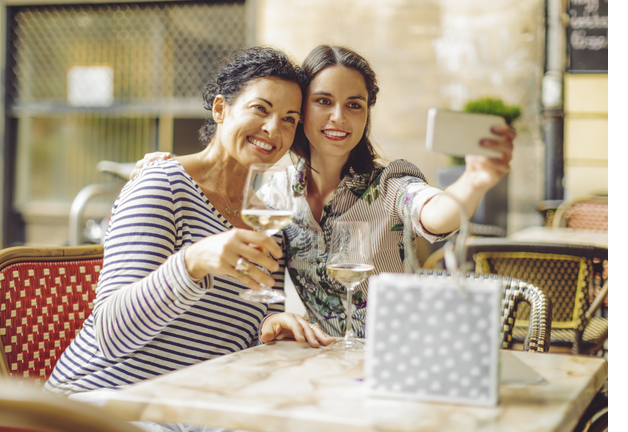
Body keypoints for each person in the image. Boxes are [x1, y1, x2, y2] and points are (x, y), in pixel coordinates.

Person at [132, 45, 515, 340]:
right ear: (301, 112)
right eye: (323, 102)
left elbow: (435, 211)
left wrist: (474, 181)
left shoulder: (388, 184)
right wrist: (169, 164)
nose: (338, 118)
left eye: (354, 105)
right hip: (324, 364)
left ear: (366, 115)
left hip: (401, 353)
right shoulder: (274, 193)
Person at [44, 46, 335, 401]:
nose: (273, 128)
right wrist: (192, 262)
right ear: (220, 109)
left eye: (289, 119)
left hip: (193, 407)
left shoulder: (268, 223)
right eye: (260, 108)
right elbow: (110, 334)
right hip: (104, 400)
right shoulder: (162, 185)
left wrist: (270, 328)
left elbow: (245, 333)